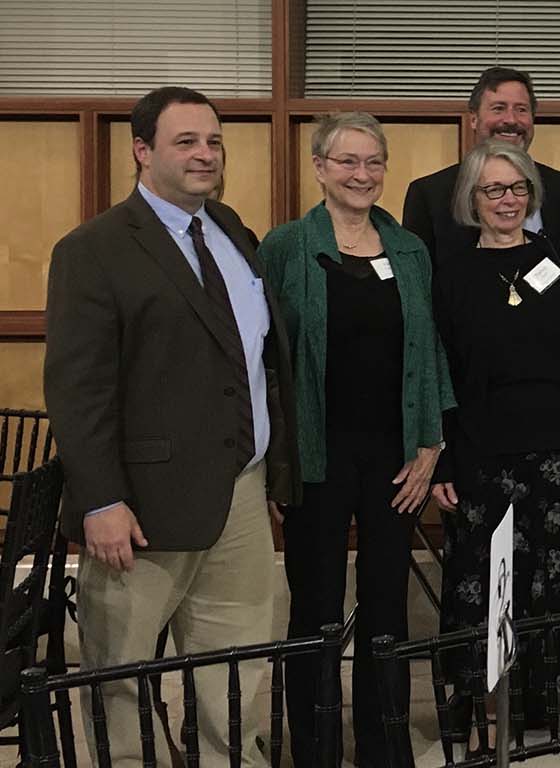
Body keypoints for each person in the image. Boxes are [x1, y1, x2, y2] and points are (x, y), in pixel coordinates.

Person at [43, 86, 299, 767]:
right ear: (142, 150)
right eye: (186, 142)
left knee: (238, 667)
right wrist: (100, 499)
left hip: (239, 494)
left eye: (214, 141)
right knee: (119, 675)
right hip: (141, 508)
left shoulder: (233, 230)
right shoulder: (93, 249)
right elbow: (79, 388)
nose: (205, 154)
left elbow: (259, 360)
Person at [257, 111, 455, 767]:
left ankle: (384, 746)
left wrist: (431, 444)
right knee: (314, 606)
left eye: (373, 162)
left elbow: (430, 350)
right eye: (347, 161)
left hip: (395, 458)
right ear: (319, 167)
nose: (361, 174)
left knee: (387, 607)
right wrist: (273, 464)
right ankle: (313, 748)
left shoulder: (410, 251)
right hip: (316, 457)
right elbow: (264, 362)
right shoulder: (286, 247)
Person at [429, 140, 560, 768]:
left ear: (531, 198)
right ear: (473, 199)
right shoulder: (451, 271)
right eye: (494, 190)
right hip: (485, 459)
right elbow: (437, 371)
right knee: (493, 590)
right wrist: (440, 458)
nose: (507, 201)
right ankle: (493, 717)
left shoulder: (557, 261)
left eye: (517, 190)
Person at [403, 66, 560, 266]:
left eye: (521, 109)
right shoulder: (429, 194)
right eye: (498, 108)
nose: (510, 120)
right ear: (474, 119)